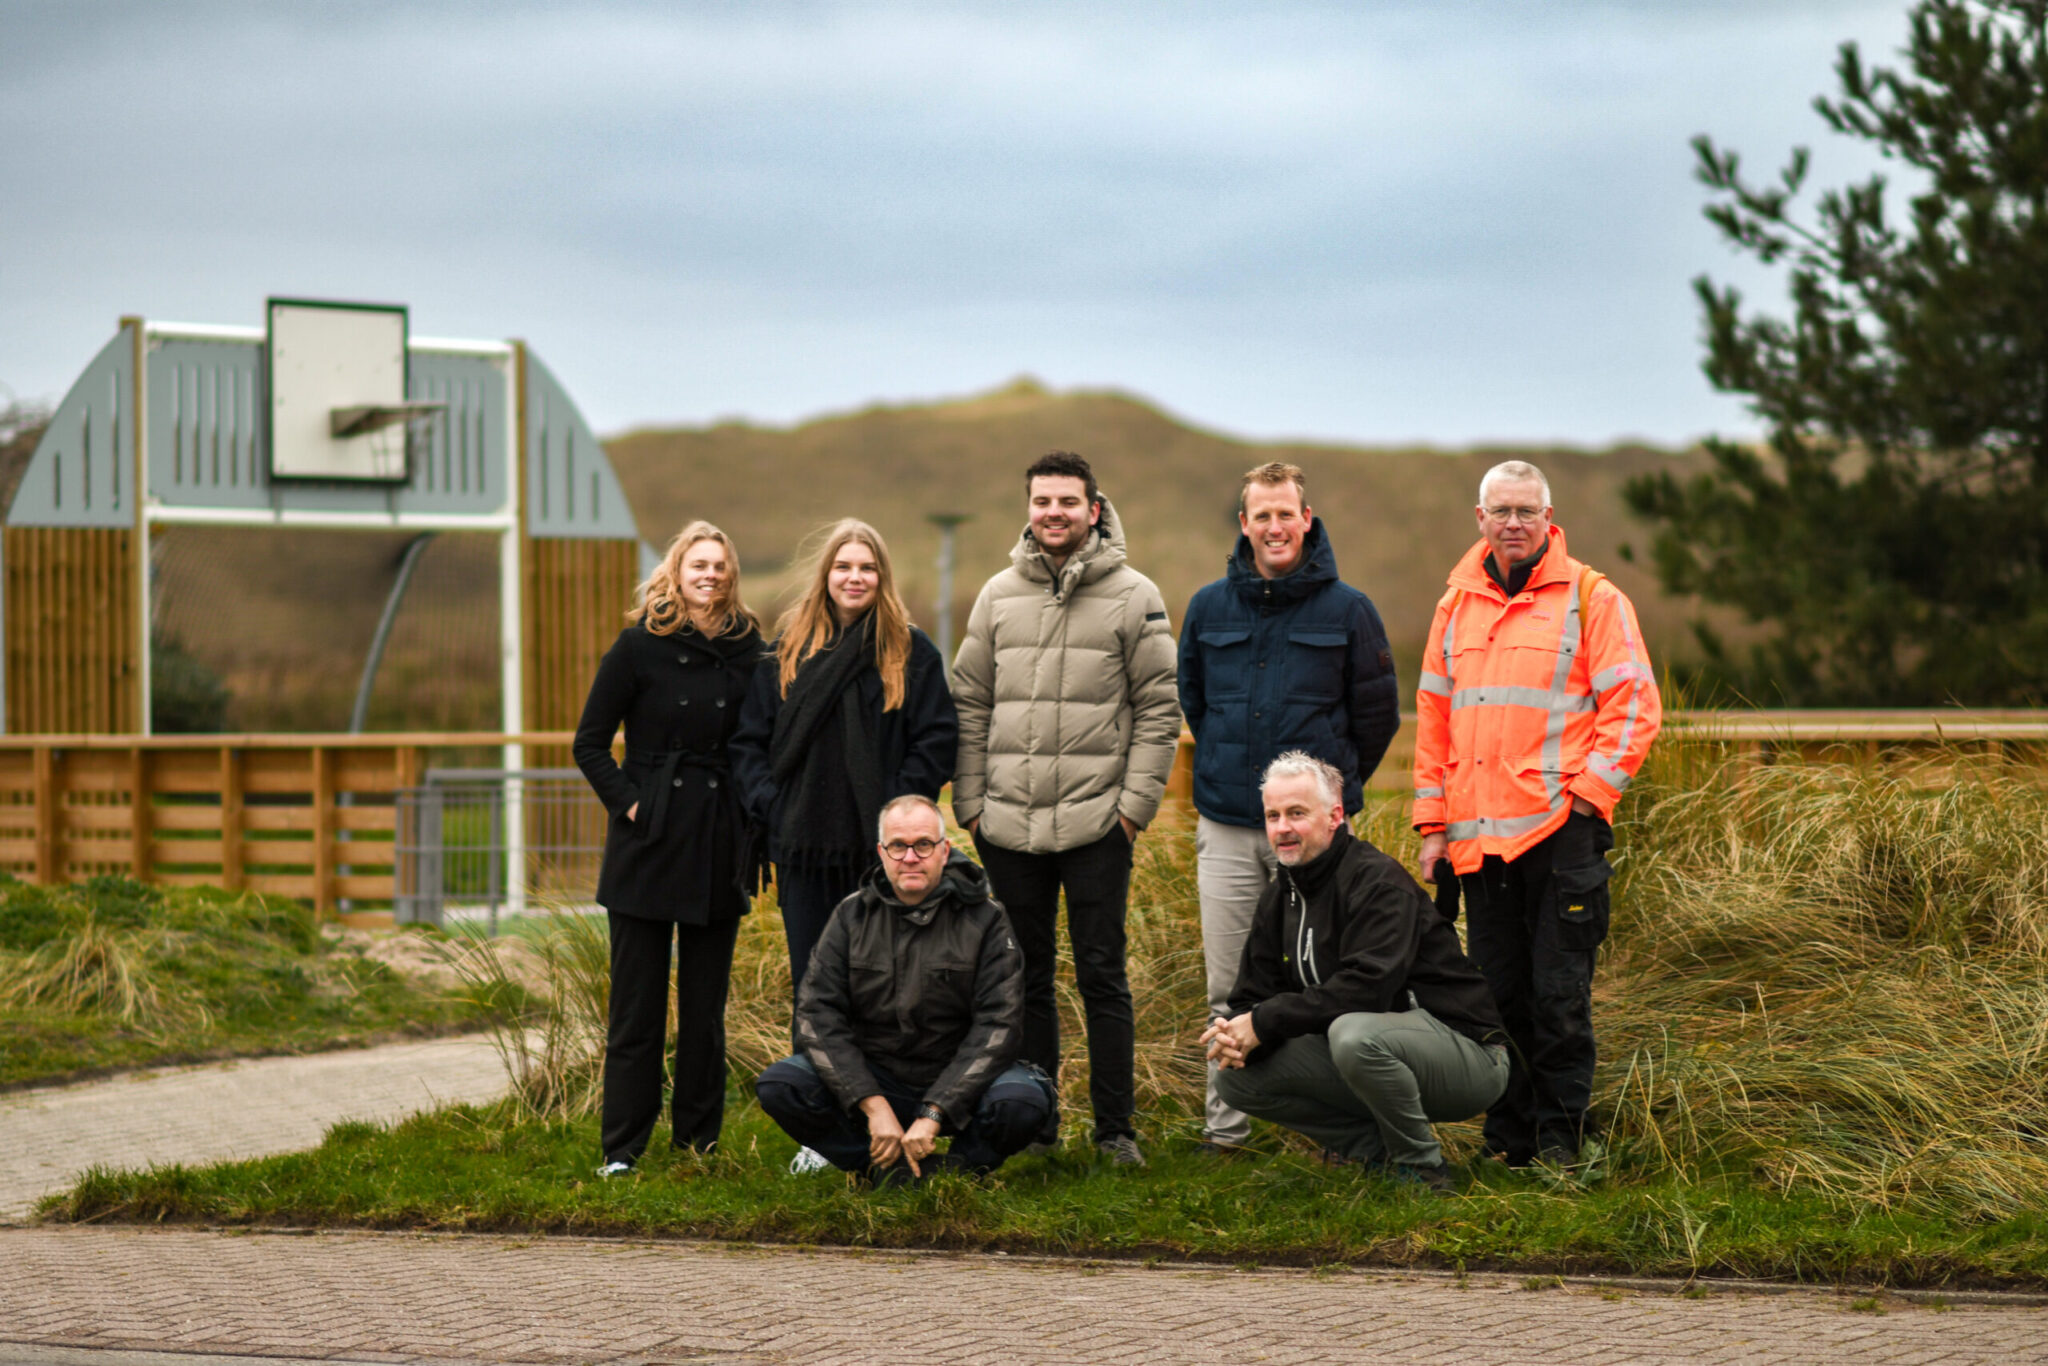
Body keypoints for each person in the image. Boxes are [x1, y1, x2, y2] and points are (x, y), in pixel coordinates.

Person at [1412, 459, 1661, 1167]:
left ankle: (1562, 1143)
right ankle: (1507, 1140)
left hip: (1561, 835)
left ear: (1548, 519)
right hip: (1479, 843)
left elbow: (1636, 707)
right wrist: (1433, 825)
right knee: (1496, 1001)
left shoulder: (1592, 597)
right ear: (1480, 519)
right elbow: (1434, 722)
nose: (1514, 523)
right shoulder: (1453, 606)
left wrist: (1589, 797)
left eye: (1527, 511)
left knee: (1559, 1000)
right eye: (1502, 511)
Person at [950, 451, 1182, 1167]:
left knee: (1102, 975)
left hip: (1096, 825)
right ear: (1029, 507)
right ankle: (1036, 1122)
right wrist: (970, 804)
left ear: (1093, 508)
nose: (1054, 513)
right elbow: (970, 700)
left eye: (1067, 502)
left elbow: (1159, 710)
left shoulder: (1135, 594)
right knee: (1023, 981)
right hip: (1007, 826)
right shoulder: (996, 595)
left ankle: (1115, 1132)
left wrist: (1133, 810)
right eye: (1042, 501)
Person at [1178, 461, 1401, 1154]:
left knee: (1326, 985)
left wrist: (1332, 803)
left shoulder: (1350, 611)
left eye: (1286, 514)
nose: (1275, 528)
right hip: (1227, 822)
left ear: (1307, 519)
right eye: (1261, 516)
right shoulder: (1209, 608)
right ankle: (1228, 1132)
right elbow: (1197, 700)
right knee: (1228, 985)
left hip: (1319, 843)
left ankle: (1329, 1130)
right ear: (1244, 524)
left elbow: (1376, 717)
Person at [1205, 753, 1509, 1192]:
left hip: (1468, 1055)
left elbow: (1367, 990)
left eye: (1296, 813)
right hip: (1372, 1049)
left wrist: (1266, 1022)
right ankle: (1376, 1154)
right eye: (1273, 816)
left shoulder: (1376, 881)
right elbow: (1253, 995)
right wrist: (1238, 1033)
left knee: (1354, 1034)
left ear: (1335, 817)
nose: (1282, 828)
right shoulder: (1280, 895)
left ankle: (1422, 1170)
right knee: (1232, 1076)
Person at [573, 521, 768, 1175]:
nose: (709, 575)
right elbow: (590, 742)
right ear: (675, 573)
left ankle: (697, 1145)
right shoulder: (637, 647)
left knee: (705, 1013)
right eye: (697, 565)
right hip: (646, 843)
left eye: (719, 565)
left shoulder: (751, 650)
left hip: (719, 840)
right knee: (637, 1010)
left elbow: (758, 741)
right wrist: (632, 802)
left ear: (730, 576)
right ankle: (621, 1150)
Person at [754, 794, 1054, 1185]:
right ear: (881, 852)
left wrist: (935, 1111)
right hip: (878, 1080)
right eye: (898, 845)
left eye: (923, 845)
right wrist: (873, 1105)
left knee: (1024, 1102)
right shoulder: (850, 915)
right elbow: (816, 1016)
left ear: (944, 851)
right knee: (781, 1085)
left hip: (960, 1081)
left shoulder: (987, 919)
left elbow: (999, 1027)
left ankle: (956, 1173)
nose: (910, 857)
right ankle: (876, 1169)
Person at [731, 518, 959, 1006]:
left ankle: (881, 1085)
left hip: (884, 854)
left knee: (884, 988)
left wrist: (894, 809)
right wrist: (775, 805)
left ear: (882, 577)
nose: (855, 577)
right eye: (843, 566)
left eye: (867, 568)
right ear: (826, 576)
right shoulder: (787, 652)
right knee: (813, 987)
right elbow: (749, 743)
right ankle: (812, 1084)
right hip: (803, 851)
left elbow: (938, 739)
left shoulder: (910, 651)